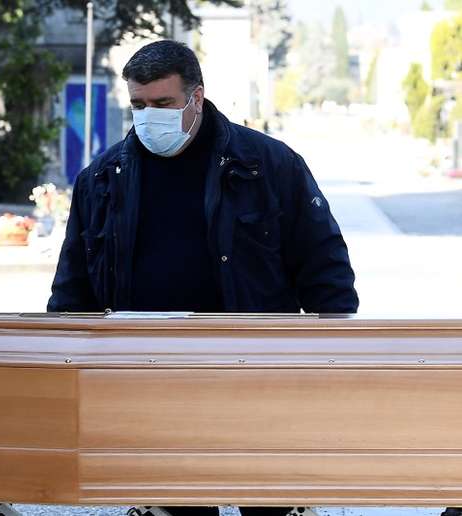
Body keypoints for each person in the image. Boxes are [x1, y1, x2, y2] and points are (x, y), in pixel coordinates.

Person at [48, 40, 359, 516]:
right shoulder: (103, 179)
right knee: (176, 506)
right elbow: (73, 288)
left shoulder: (269, 166)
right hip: (151, 379)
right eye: (138, 105)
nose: (149, 115)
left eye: (163, 103)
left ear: (196, 97)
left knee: (271, 503)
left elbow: (326, 270)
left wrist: (325, 365)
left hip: (257, 374)